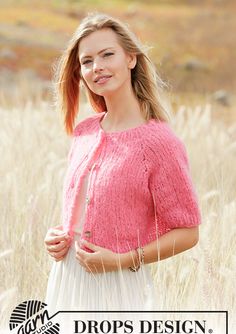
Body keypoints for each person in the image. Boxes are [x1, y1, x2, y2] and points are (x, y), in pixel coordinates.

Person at [44, 12, 201, 313]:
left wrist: (122, 260)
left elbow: (188, 232)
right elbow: (83, 214)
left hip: (118, 288)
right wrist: (57, 236)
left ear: (131, 58)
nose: (97, 67)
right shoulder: (84, 133)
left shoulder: (159, 143)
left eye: (107, 55)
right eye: (87, 61)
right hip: (64, 280)